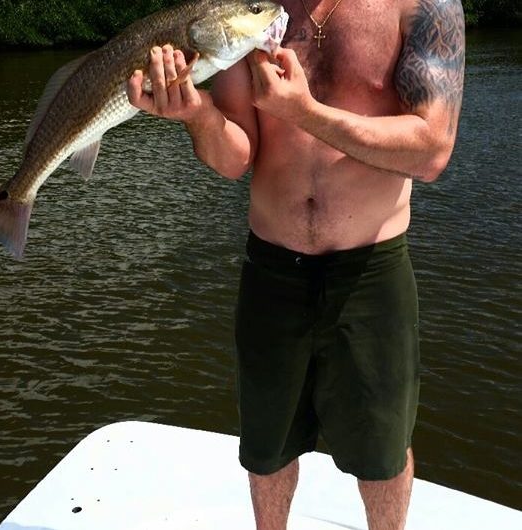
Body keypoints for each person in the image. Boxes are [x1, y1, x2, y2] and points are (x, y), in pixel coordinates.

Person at [127, 0, 465, 528]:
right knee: (267, 450)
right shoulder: (242, 14)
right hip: (272, 270)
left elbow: (432, 150)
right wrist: (199, 116)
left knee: (382, 453)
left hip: (371, 272)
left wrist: (304, 112)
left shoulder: (423, 6)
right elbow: (236, 157)